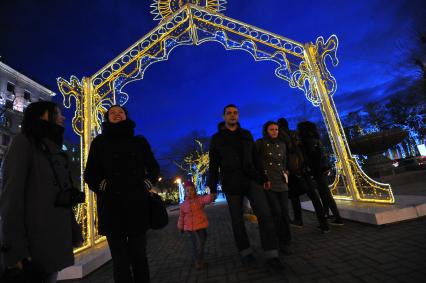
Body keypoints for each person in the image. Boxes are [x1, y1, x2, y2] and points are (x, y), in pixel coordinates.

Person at [0, 101, 82, 282]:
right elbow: (11, 199)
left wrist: (74, 231)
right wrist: (15, 250)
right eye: (56, 113)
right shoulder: (23, 142)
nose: (62, 117)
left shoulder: (52, 148)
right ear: (41, 116)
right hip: (33, 245)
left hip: (53, 240)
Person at [84, 105, 160, 283]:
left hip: (136, 205)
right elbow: (90, 174)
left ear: (126, 116)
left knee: (139, 257)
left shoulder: (139, 141)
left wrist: (146, 184)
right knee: (119, 261)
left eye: (121, 112)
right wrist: (103, 186)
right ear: (107, 118)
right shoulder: (99, 142)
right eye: (113, 113)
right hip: (111, 207)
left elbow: (153, 168)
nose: (117, 115)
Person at [208, 104, 283, 270]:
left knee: (265, 214)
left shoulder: (246, 134)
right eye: (229, 113)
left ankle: (272, 254)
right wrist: (212, 188)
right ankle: (246, 252)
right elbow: (213, 165)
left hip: (251, 180)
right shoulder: (217, 138)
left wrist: (263, 177)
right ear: (224, 117)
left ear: (238, 116)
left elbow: (256, 158)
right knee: (237, 221)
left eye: (235, 113)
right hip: (231, 183)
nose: (232, 115)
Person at [277, 118, 329, 232]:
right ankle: (324, 223)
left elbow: (283, 154)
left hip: (292, 170)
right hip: (304, 168)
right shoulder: (296, 134)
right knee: (314, 196)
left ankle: (298, 220)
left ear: (279, 126)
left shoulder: (280, 136)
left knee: (294, 196)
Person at [255, 121, 293, 255]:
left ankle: (286, 241)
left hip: (282, 182)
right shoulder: (260, 143)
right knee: (276, 212)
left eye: (276, 129)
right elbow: (256, 162)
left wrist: (287, 170)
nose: (274, 131)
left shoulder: (282, 144)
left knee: (285, 212)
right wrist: (263, 178)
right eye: (271, 129)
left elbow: (286, 161)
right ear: (266, 131)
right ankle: (278, 240)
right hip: (269, 182)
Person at [297, 121, 344, 226]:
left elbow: (312, 157)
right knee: (325, 193)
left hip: (316, 171)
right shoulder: (316, 139)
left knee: (325, 194)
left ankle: (337, 218)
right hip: (322, 169)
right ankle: (332, 215)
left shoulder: (306, 141)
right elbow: (321, 155)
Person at [177, 181, 216, 270]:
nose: (189, 192)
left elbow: (206, 199)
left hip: (200, 226)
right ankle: (198, 262)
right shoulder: (183, 205)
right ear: (185, 192)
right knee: (195, 245)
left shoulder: (199, 200)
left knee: (202, 242)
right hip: (190, 229)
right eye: (187, 191)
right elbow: (181, 216)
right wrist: (180, 227)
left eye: (191, 190)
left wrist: (211, 196)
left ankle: (199, 260)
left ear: (194, 190)